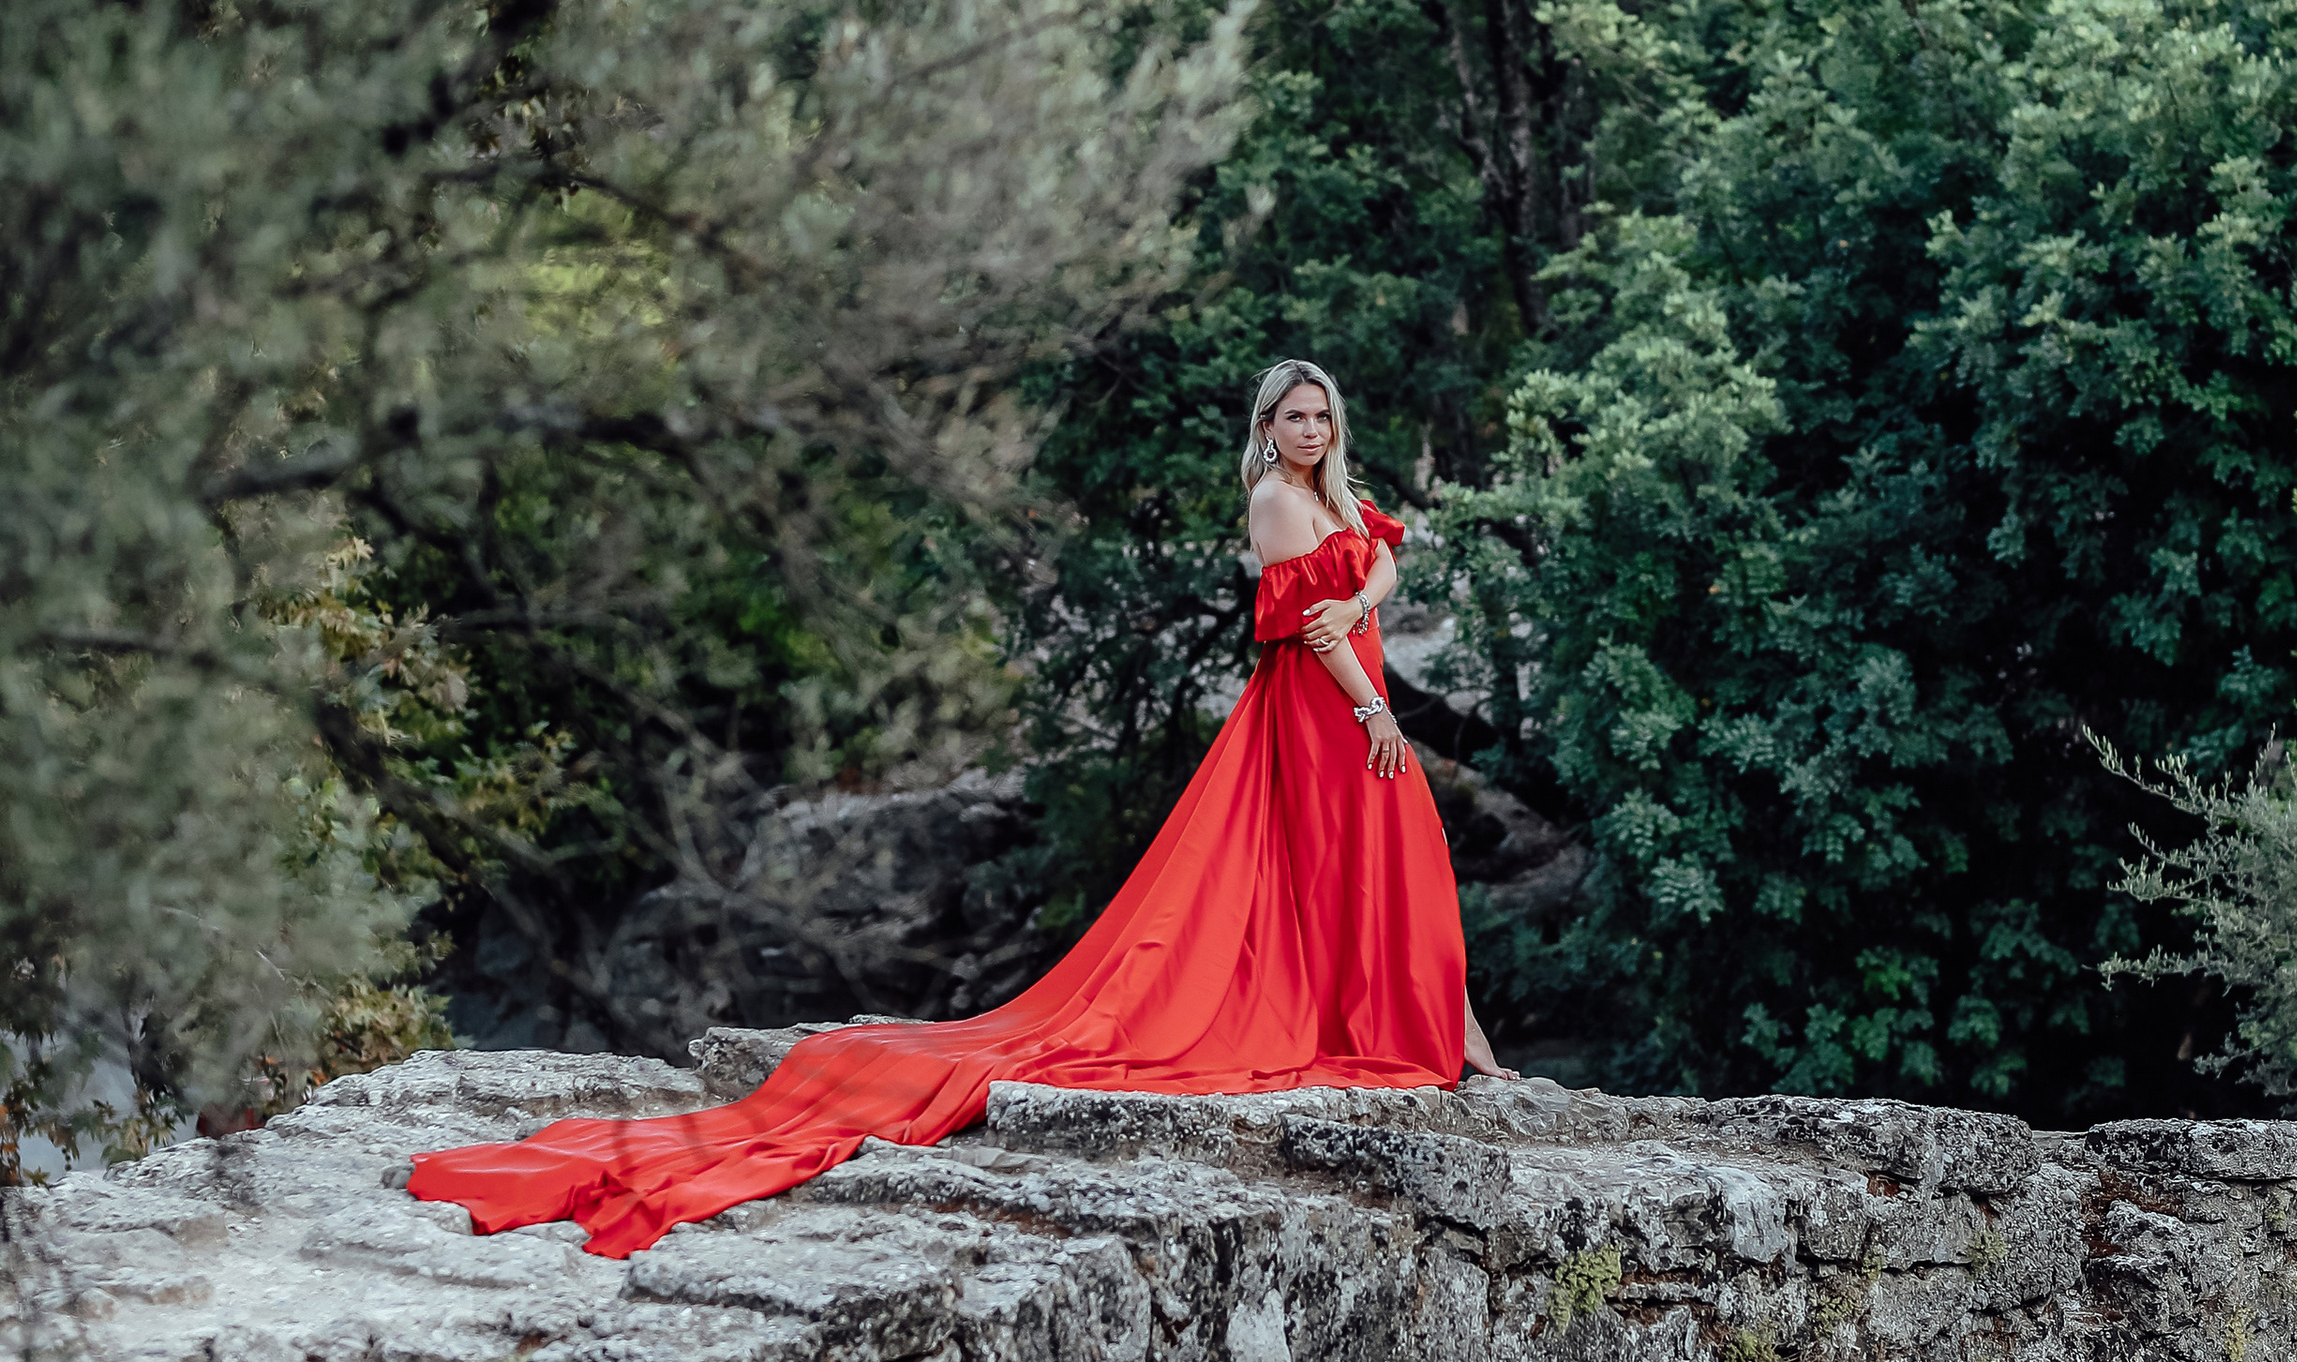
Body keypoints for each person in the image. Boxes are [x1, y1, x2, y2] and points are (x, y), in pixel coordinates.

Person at [407, 358, 1515, 1259]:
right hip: (1325, 710)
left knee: (1394, 856)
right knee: (1374, 854)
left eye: (1321, 415)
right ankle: (1441, 1034)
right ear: (1266, 428)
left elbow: (1379, 568)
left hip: (1349, 700)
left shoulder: (1332, 494)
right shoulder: (1276, 498)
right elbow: (1316, 629)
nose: (1309, 429)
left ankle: (1449, 1033)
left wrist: (1363, 601)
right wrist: (1376, 708)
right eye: (1293, 416)